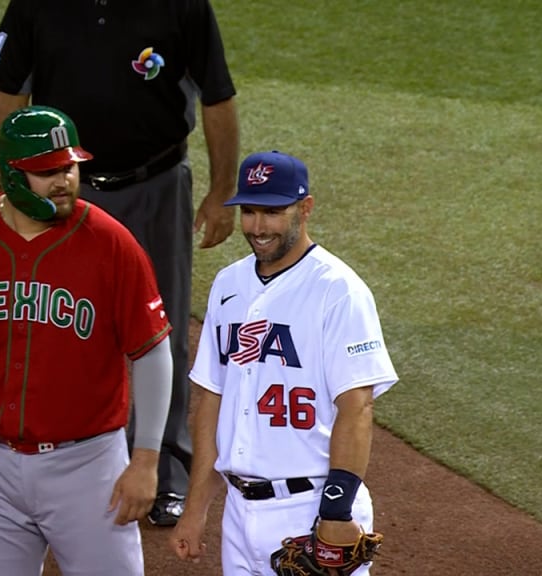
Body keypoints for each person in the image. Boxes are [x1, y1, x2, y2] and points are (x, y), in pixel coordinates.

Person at [0, 0, 240, 527]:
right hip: (59, 193)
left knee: (158, 329)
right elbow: (7, 100)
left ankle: (166, 471)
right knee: (52, 318)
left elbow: (218, 97)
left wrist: (222, 190)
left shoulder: (182, 5)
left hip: (157, 186)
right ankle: (57, 463)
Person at [0, 105, 174, 576]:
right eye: (45, 172)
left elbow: (152, 351)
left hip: (87, 466)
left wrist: (146, 458)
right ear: (11, 173)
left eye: (68, 167)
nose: (63, 180)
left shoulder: (111, 244)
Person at [168, 150, 398, 575]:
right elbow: (213, 398)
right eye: (249, 212)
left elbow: (357, 406)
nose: (258, 227)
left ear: (305, 208)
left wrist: (337, 510)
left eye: (273, 212)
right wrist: (196, 506)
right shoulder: (228, 285)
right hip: (239, 513)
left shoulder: (339, 291)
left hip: (309, 508)